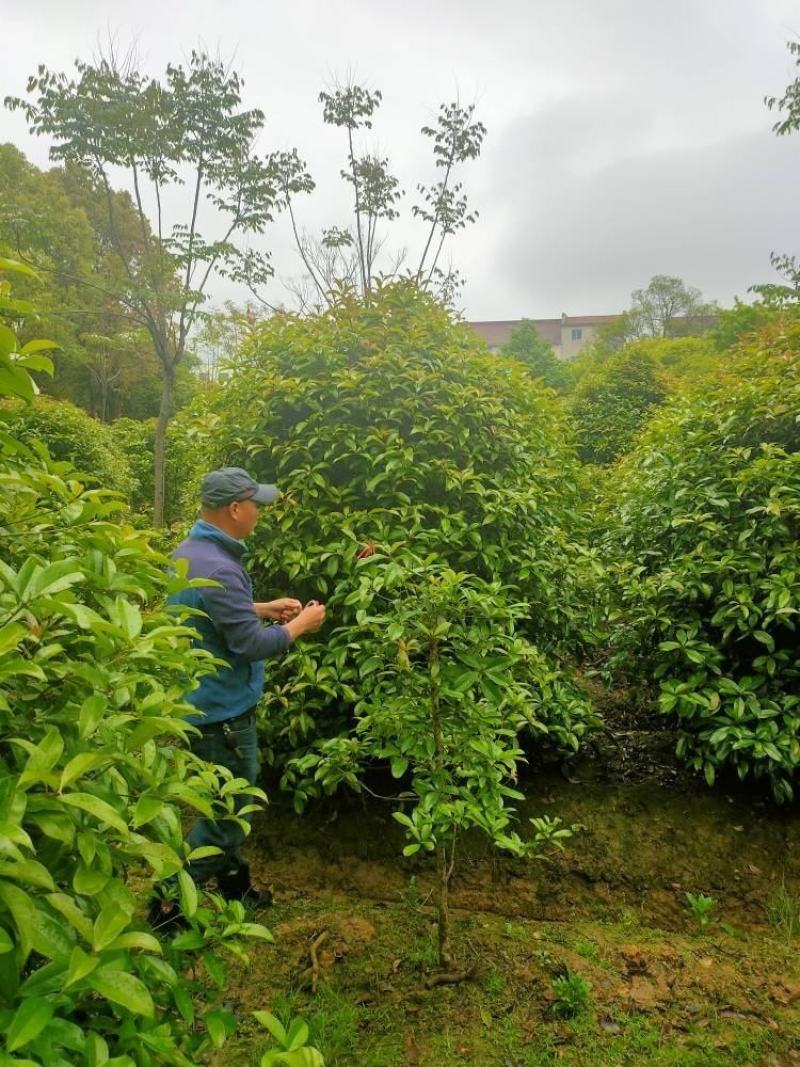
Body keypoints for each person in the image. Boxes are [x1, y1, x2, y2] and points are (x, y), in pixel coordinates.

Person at [150, 466, 325, 925]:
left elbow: (205, 608)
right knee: (231, 811)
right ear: (234, 509)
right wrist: (297, 625)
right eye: (256, 505)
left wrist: (261, 609)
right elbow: (251, 644)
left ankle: (234, 886)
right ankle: (168, 901)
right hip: (223, 715)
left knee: (221, 801)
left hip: (201, 705)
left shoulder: (193, 553)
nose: (259, 513)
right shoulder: (222, 566)